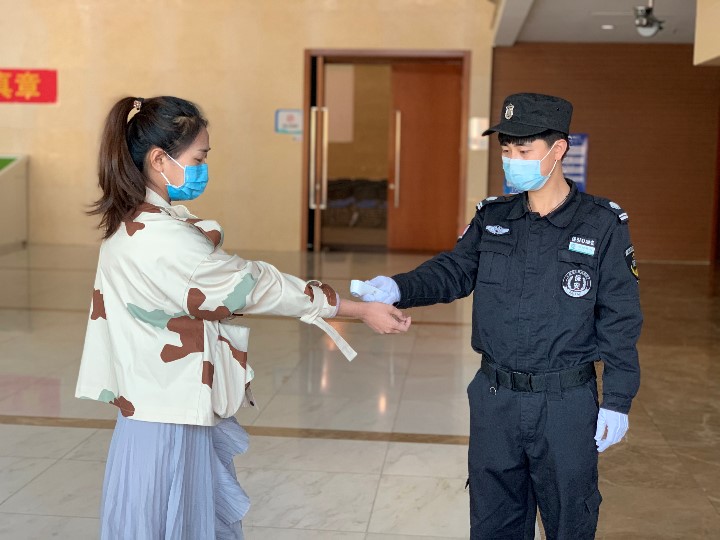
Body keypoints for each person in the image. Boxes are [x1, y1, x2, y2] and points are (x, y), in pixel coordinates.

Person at [75, 95, 410, 540]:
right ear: (159, 159)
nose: (203, 168)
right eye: (199, 158)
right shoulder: (163, 238)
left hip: (148, 406)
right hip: (167, 418)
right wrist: (358, 309)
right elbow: (256, 286)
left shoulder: (132, 222)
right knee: (169, 523)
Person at [354, 93, 642, 539]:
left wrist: (618, 399)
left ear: (558, 150)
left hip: (564, 402)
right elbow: (453, 271)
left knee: (571, 520)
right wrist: (398, 288)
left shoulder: (601, 223)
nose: (512, 161)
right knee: (493, 521)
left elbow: (620, 318)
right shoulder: (493, 217)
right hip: (495, 397)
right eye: (506, 151)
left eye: (524, 151)